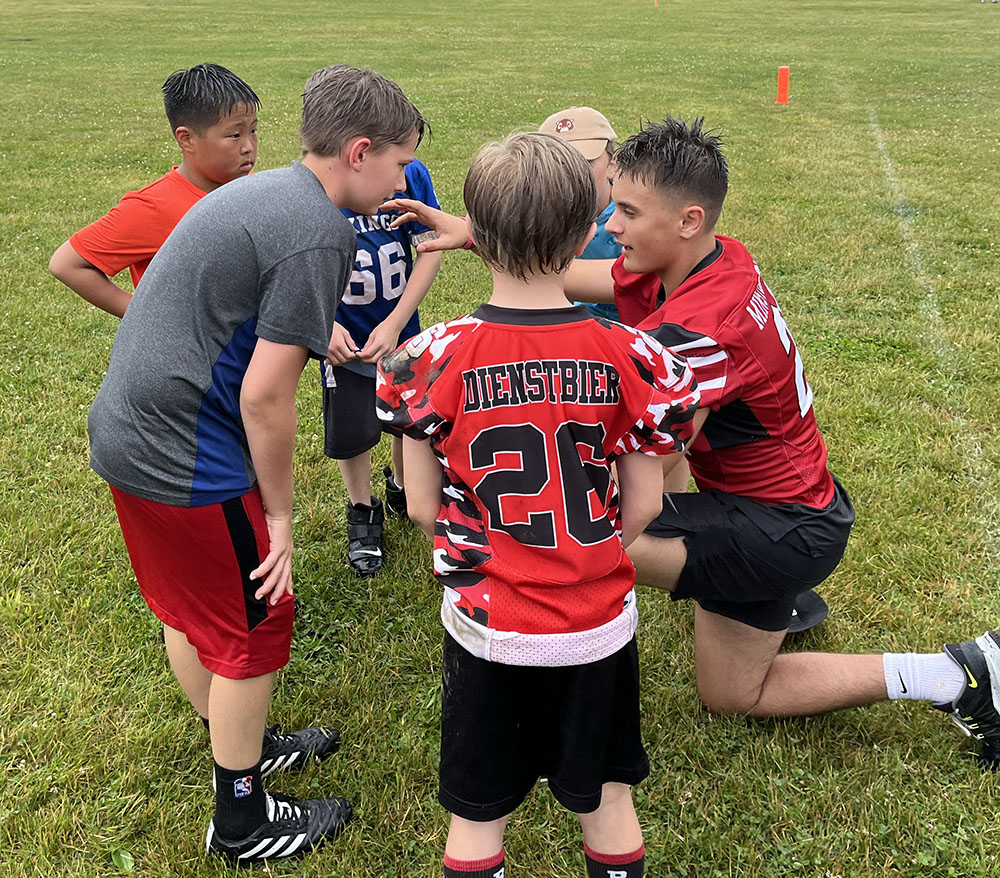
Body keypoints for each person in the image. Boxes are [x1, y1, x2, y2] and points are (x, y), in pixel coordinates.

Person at [378, 116, 1000, 770]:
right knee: (735, 693)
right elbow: (590, 282)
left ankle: (728, 588)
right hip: (784, 510)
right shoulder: (708, 256)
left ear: (688, 218)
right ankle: (955, 673)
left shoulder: (701, 329)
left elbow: (657, 454)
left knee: (560, 525)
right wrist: (486, 236)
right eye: (612, 202)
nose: (610, 225)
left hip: (782, 526)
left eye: (627, 210)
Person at [376, 132, 700, 878]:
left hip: (489, 624)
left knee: (478, 808)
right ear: (588, 228)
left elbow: (415, 503)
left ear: (474, 227)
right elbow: (641, 506)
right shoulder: (629, 354)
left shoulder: (429, 358)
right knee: (607, 790)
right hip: (596, 622)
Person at [87, 64, 427, 864]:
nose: (404, 178)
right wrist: (278, 516)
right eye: (399, 162)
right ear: (358, 151)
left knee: (191, 610)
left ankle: (238, 739)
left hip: (127, 434)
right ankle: (240, 821)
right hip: (184, 456)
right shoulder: (319, 231)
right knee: (255, 622)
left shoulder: (272, 191)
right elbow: (268, 398)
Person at [49, 63, 261, 318]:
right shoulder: (154, 206)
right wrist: (148, 317)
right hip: (196, 356)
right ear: (186, 139)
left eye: (253, 130)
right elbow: (67, 264)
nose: (249, 146)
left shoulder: (256, 189)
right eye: (235, 135)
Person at [319, 154, 442, 576]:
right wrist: (325, 323)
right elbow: (301, 268)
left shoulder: (410, 173)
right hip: (345, 339)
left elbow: (430, 249)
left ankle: (402, 485)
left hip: (400, 332)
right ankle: (361, 508)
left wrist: (395, 322)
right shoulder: (318, 184)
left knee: (405, 419)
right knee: (352, 430)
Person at [538, 105, 620, 321]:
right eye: (556, 166)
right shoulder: (540, 213)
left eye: (584, 163)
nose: (569, 177)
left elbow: (642, 281)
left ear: (613, 163)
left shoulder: (633, 214)